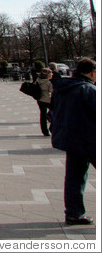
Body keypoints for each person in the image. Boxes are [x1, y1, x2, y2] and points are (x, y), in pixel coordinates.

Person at [50, 57, 95, 226]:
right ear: (92, 72)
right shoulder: (88, 89)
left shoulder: (63, 88)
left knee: (74, 178)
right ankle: (74, 213)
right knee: (76, 178)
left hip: (72, 139)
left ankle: (73, 213)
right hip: (90, 139)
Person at [35, 67, 53, 136]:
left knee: (42, 115)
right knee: (54, 113)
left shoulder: (38, 80)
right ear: (48, 75)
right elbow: (51, 91)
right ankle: (52, 127)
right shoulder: (48, 82)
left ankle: (45, 131)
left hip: (40, 99)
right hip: (47, 99)